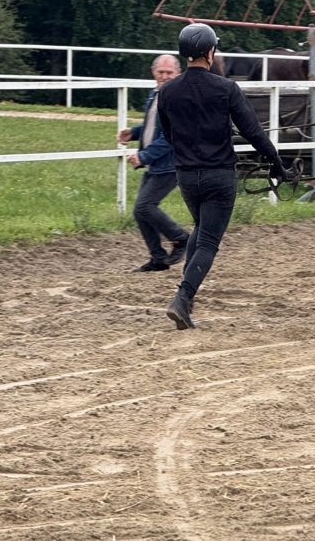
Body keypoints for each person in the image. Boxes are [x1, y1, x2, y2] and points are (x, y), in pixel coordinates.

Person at [156, 23, 294, 330]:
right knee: (208, 240)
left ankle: (186, 300)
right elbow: (253, 131)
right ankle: (182, 297)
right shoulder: (226, 88)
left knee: (200, 229)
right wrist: (276, 162)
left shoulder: (167, 92)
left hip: (186, 177)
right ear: (210, 52)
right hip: (218, 176)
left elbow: (169, 135)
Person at [117, 54, 189, 272]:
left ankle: (181, 238)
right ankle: (158, 258)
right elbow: (154, 127)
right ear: (153, 72)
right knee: (141, 211)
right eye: (161, 72)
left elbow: (170, 136)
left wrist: (144, 156)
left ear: (178, 73)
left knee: (144, 206)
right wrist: (134, 133)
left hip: (171, 164)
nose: (165, 76)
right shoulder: (156, 94)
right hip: (158, 164)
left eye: (169, 73)